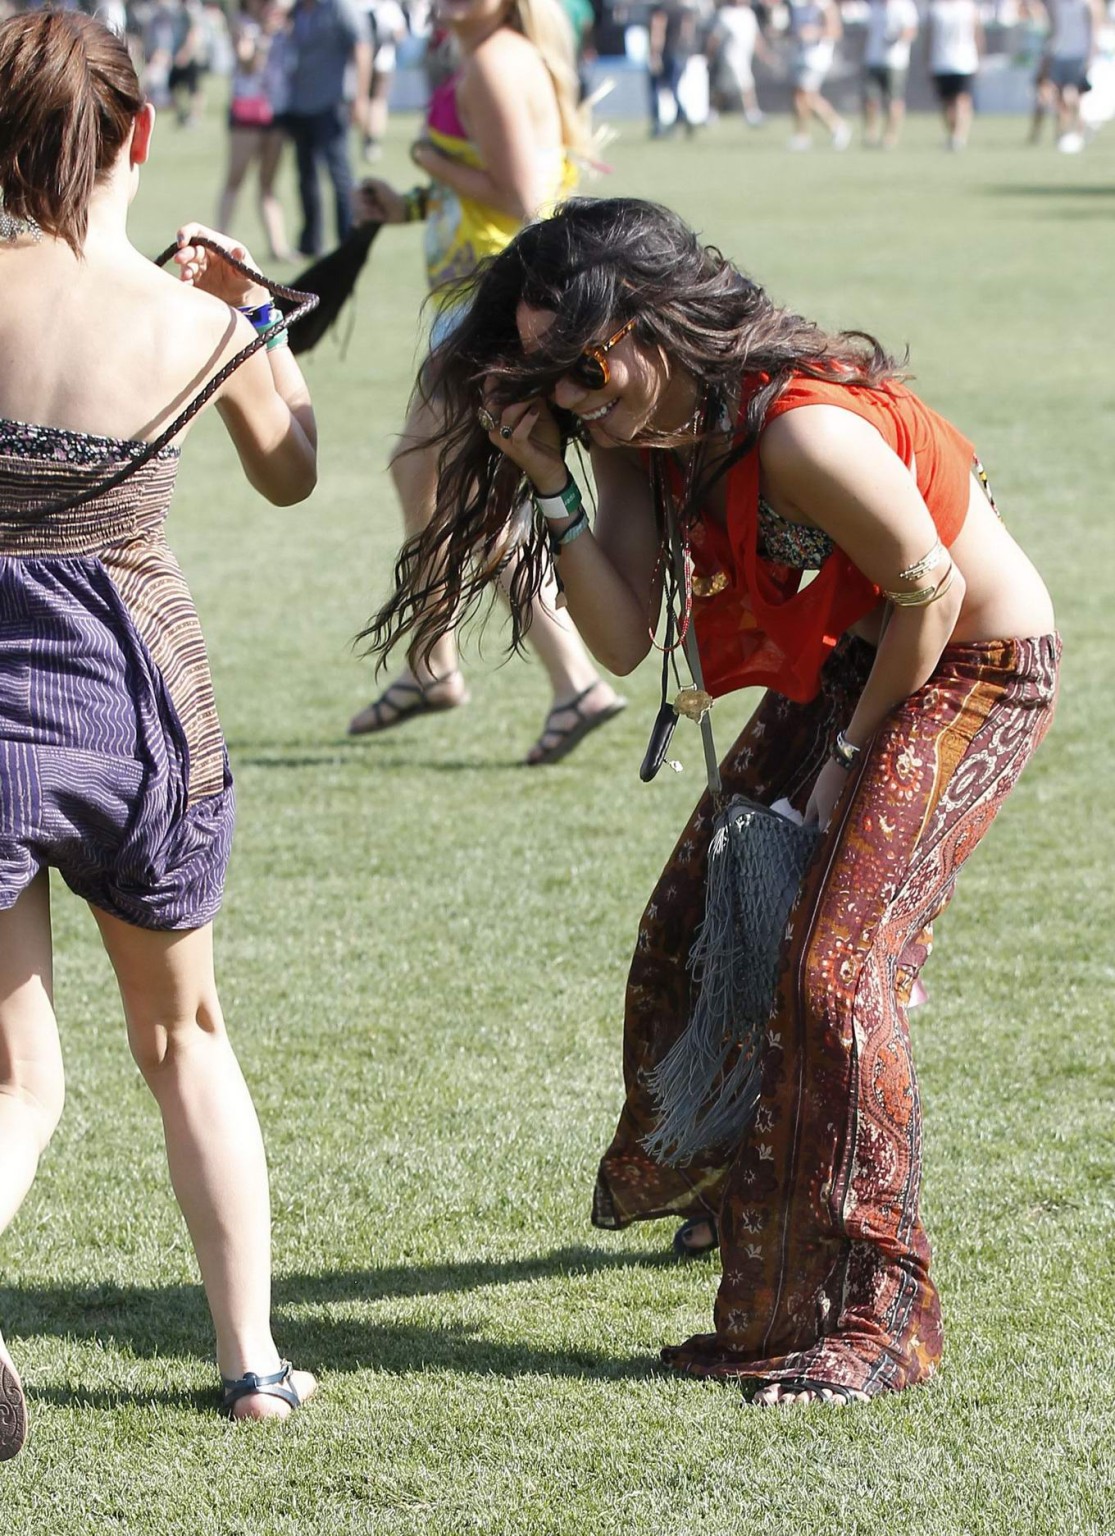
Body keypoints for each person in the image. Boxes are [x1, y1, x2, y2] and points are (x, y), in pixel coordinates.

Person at [366, 198, 1059, 1405]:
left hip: (967, 667)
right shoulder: (642, 429)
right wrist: (547, 478)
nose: (575, 399)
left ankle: (875, 1319)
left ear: (651, 321)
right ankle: (754, 1199)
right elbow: (624, 639)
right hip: (863, 655)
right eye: (545, 381)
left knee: (833, 971)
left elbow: (933, 595)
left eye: (580, 370)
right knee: (690, 930)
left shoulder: (797, 433)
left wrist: (840, 759)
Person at [0, 9, 319, 1457]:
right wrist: (256, 321)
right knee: (181, 1031)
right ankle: (250, 1360)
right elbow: (292, 473)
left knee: (18, 1076)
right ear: (137, 136)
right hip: (134, 704)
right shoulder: (195, 325)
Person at [347, 0, 626, 765]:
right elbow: (492, 190)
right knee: (455, 490)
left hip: (490, 305)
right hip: (482, 298)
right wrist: (408, 205)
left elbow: (522, 198)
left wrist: (427, 161)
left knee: (441, 483)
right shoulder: (494, 59)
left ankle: (454, 665)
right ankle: (471, 667)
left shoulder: (495, 63)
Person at [284, 0, 373, 257]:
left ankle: (347, 241)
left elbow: (362, 47)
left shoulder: (338, 8)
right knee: (305, 177)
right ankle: (310, 242)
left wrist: (361, 96)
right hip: (299, 104)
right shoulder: (296, 10)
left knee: (339, 176)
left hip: (331, 104)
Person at [216, 0, 294, 262]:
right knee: (235, 180)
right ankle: (219, 242)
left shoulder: (284, 22)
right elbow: (248, 64)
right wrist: (264, 36)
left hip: (277, 110)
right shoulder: (244, 26)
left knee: (268, 184)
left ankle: (278, 246)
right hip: (247, 112)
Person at [786, 0, 851, 150]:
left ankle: (835, 126)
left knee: (805, 95)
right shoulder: (799, 6)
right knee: (801, 97)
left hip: (817, 58)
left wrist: (814, 32)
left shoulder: (825, 6)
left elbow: (835, 31)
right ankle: (807, 133)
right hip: (800, 55)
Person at [1044, 0, 1102, 151]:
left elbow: (1094, 28)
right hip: (1059, 53)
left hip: (1078, 54)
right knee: (1055, 95)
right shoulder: (1057, 4)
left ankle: (1079, 131)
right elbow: (1054, 26)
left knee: (1073, 96)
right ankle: (1063, 131)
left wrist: (1091, 54)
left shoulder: (1085, 4)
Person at [861, 0, 919, 148]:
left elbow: (911, 30)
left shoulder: (904, 6)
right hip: (873, 59)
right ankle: (871, 133)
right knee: (870, 99)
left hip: (895, 61)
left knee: (894, 100)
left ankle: (890, 136)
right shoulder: (874, 6)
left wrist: (897, 36)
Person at [927, 0, 983, 150]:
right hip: (941, 62)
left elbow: (977, 33)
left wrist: (979, 57)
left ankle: (959, 136)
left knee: (961, 100)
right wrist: (928, 60)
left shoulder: (969, 7)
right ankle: (952, 134)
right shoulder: (936, 9)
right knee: (947, 102)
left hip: (964, 61)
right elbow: (929, 36)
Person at [705, 0, 768, 126]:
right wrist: (709, 54)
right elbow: (715, 38)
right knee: (746, 83)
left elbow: (756, 36)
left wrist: (763, 53)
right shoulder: (726, 14)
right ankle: (752, 113)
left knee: (723, 87)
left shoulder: (748, 13)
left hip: (745, 57)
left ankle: (712, 112)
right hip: (731, 57)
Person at [360, 0, 408, 162]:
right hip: (381, 63)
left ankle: (368, 138)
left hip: (365, 63)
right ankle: (372, 139)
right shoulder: (388, 8)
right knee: (377, 102)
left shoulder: (363, 6)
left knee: (369, 100)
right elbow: (400, 33)